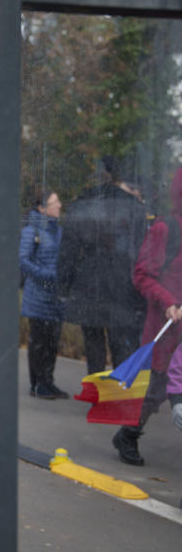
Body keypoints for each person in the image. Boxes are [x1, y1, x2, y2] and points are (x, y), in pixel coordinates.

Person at [112, 166, 182, 465]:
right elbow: (141, 275)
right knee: (155, 390)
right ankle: (128, 434)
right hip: (167, 327)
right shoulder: (166, 229)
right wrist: (168, 302)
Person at [57, 156, 148, 375]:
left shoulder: (84, 202)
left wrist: (62, 287)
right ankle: (116, 395)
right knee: (120, 343)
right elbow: (141, 250)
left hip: (90, 281)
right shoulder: (132, 205)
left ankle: (97, 392)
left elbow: (68, 251)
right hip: (121, 282)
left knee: (94, 343)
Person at [20, 190, 68, 400]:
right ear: (41, 208)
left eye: (58, 202)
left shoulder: (59, 231)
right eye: (54, 202)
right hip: (38, 296)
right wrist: (46, 275)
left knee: (52, 341)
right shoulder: (32, 230)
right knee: (39, 341)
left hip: (56, 297)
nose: (59, 206)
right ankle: (37, 383)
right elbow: (22, 259)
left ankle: (48, 381)